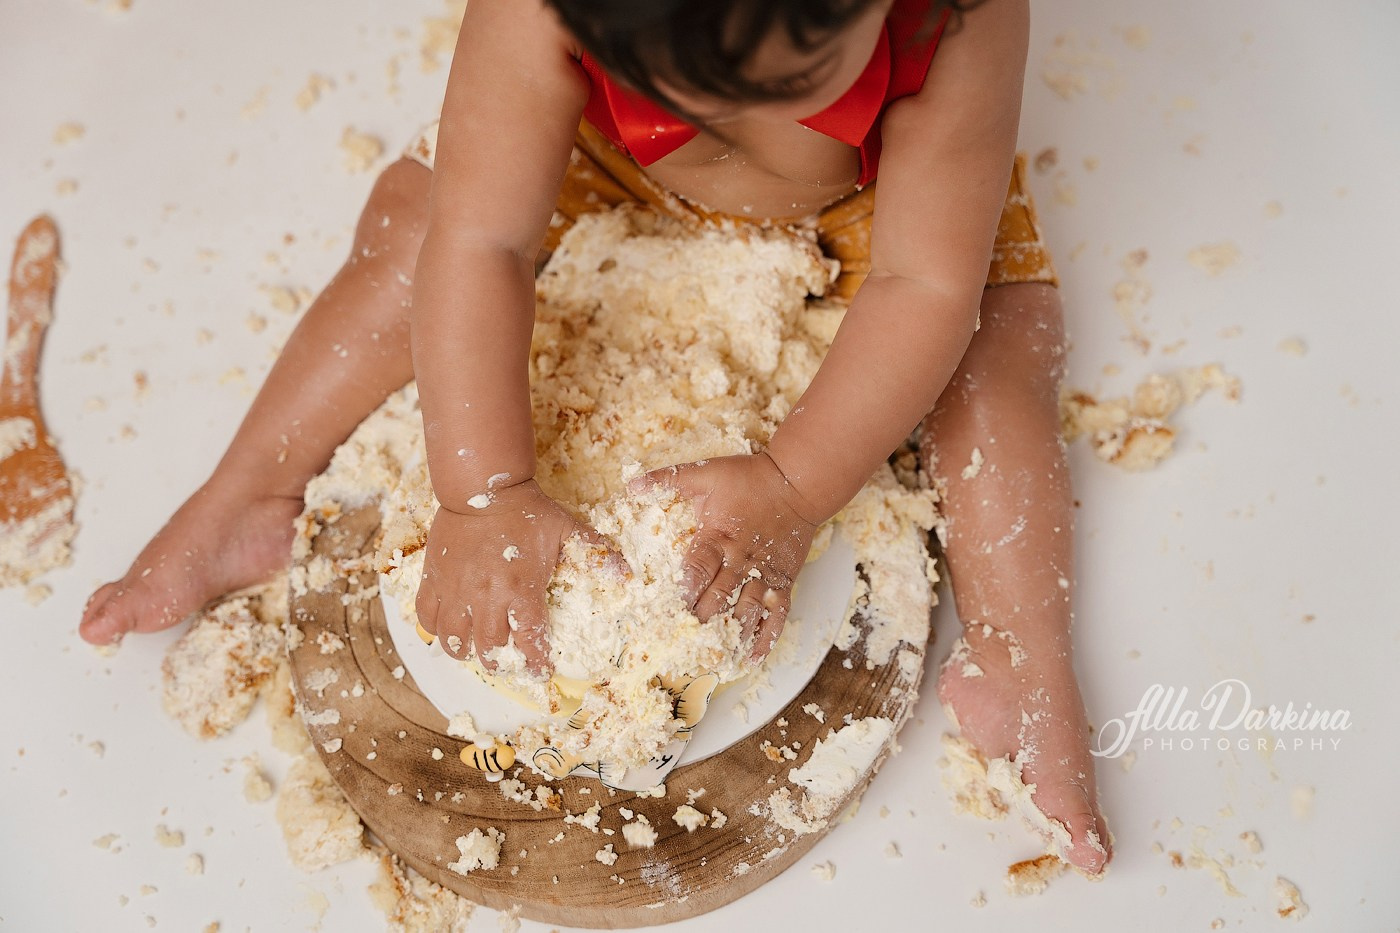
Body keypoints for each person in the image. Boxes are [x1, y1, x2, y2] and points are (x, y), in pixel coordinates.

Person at [80, 0, 1111, 872]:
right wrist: (481, 491)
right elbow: (482, 239)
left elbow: (922, 286)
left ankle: (1020, 655)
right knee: (411, 232)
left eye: (785, 85)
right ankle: (249, 491)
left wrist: (793, 485)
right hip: (596, 165)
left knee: (997, 354)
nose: (724, 122)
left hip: (872, 211)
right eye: (680, 93)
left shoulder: (959, 17)